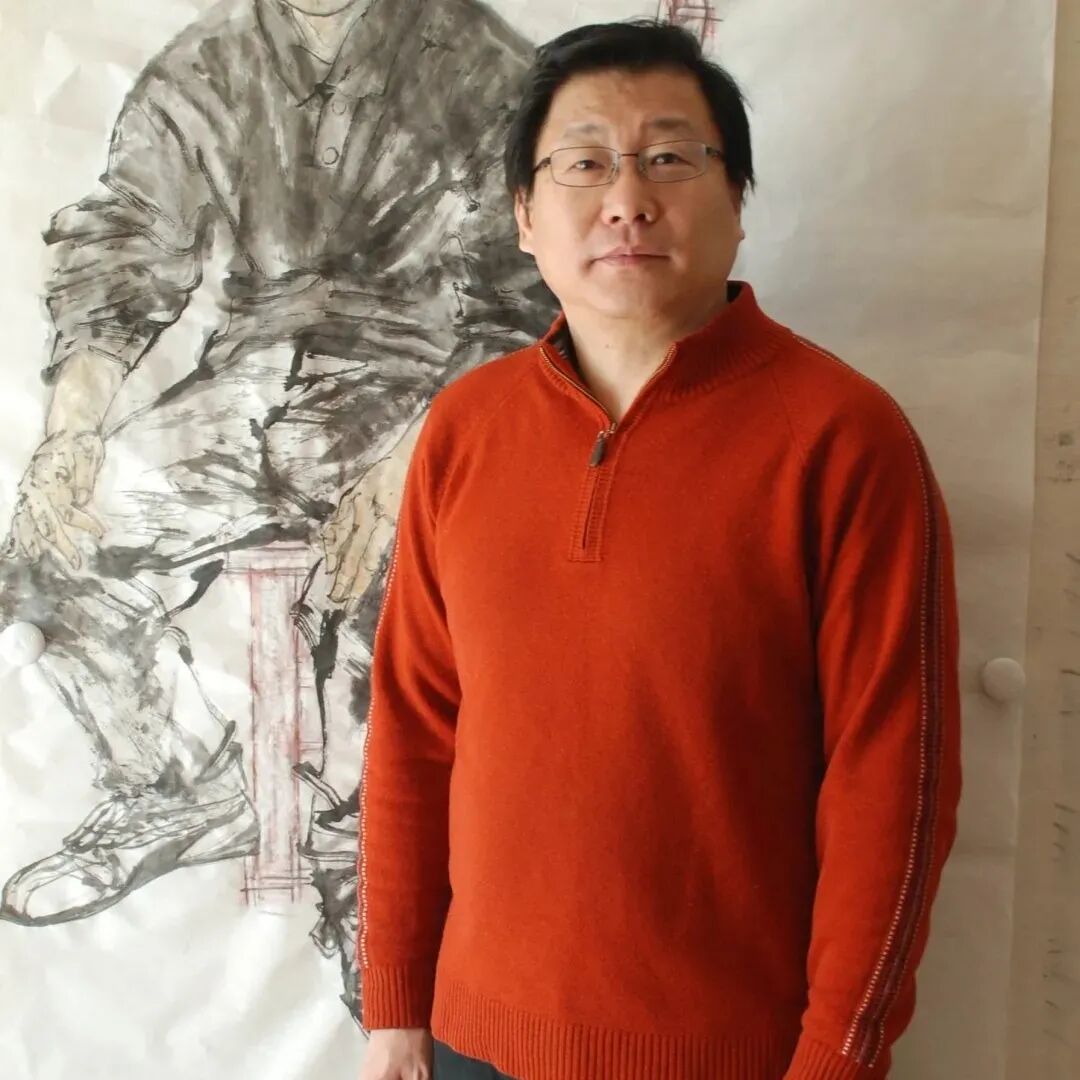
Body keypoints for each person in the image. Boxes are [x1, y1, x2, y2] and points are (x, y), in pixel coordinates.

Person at [357, 18, 963, 1080]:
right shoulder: (465, 427)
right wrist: (395, 1007)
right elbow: (413, 730)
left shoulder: (842, 438)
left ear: (737, 200)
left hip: (738, 1056)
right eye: (584, 163)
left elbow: (892, 782)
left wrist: (838, 1058)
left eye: (672, 158)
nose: (628, 199)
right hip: (469, 1042)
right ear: (525, 215)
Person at [0, 0, 554, 1022]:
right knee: (49, 555)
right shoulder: (208, 63)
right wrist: (71, 434)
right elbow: (122, 251)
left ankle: (374, 881)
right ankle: (172, 787)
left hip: (417, 395)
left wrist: (410, 469)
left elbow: (521, 303)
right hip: (247, 386)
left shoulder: (480, 62)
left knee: (400, 601)